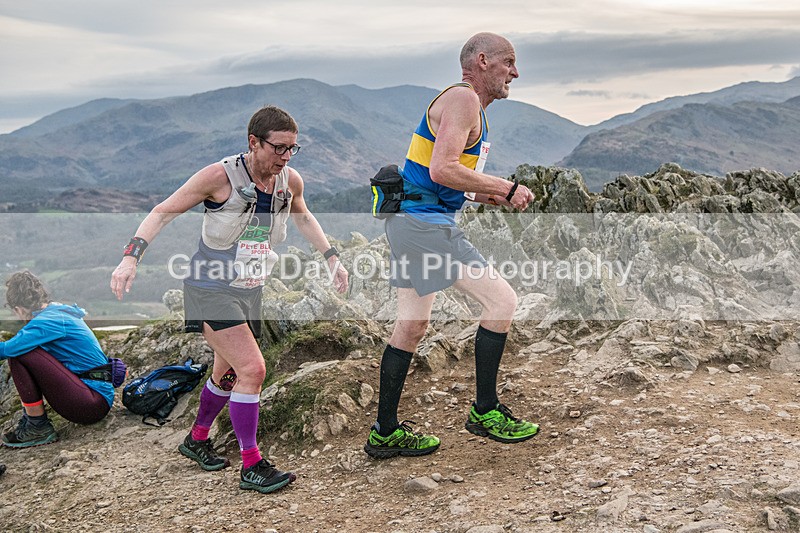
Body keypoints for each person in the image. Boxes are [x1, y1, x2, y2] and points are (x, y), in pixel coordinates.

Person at [111, 105, 348, 494]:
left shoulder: (290, 181)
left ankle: (197, 438)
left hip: (248, 288)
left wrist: (332, 257)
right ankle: (252, 465)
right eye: (278, 148)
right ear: (253, 142)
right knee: (253, 370)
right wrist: (129, 259)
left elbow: (304, 217)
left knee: (229, 372)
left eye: (293, 148)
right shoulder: (218, 177)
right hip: (209, 289)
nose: (286, 157)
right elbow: (162, 212)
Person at [364, 33, 539, 459]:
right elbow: (443, 170)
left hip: (411, 222)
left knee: (411, 324)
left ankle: (384, 433)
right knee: (501, 303)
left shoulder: (466, 105)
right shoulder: (463, 101)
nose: (515, 72)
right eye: (509, 63)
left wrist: (489, 195)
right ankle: (485, 411)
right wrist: (506, 185)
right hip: (425, 226)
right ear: (482, 61)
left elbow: (445, 175)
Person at [1, 271, 114, 448]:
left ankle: (37, 425)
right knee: (23, 351)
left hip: (91, 403)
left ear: (19, 309)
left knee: (19, 354)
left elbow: (7, 349)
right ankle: (34, 423)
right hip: (93, 396)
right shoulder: (56, 311)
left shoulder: (46, 321)